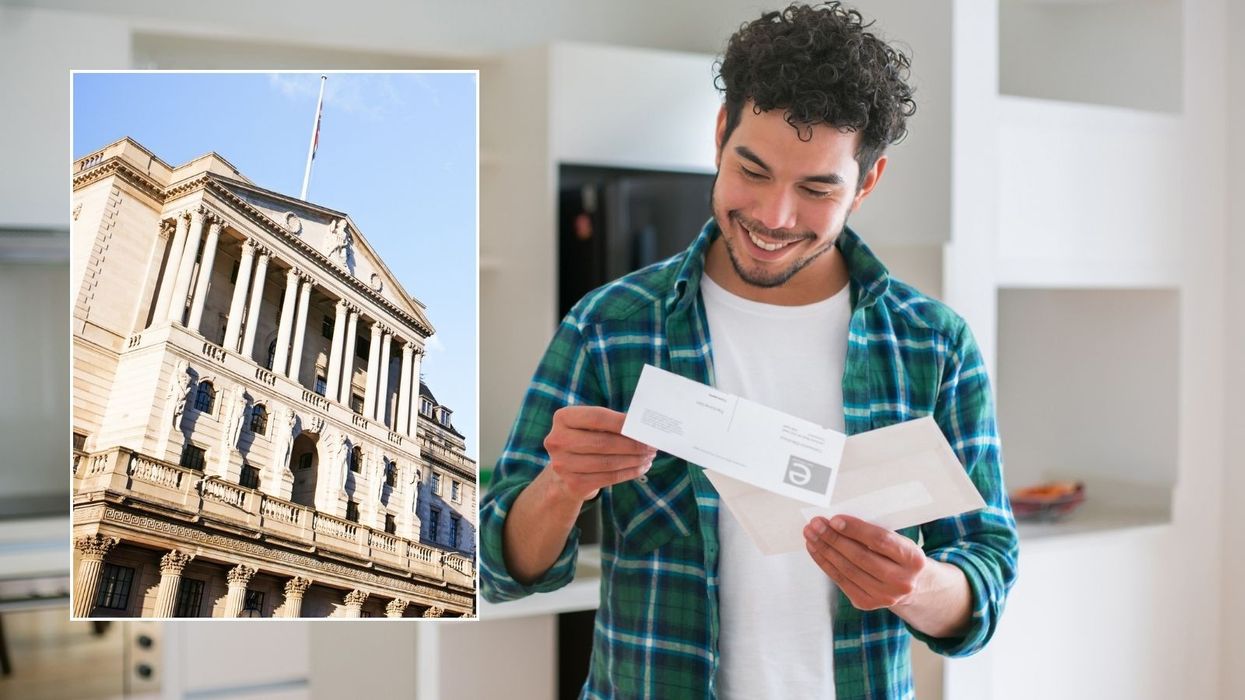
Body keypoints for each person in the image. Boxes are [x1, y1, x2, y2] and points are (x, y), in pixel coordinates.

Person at [480, 3, 1019, 698]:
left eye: (816, 188)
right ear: (718, 135)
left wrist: (918, 587)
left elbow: (986, 570)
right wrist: (562, 485)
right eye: (753, 171)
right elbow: (496, 566)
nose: (773, 216)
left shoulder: (932, 344)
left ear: (867, 183)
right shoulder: (610, 325)